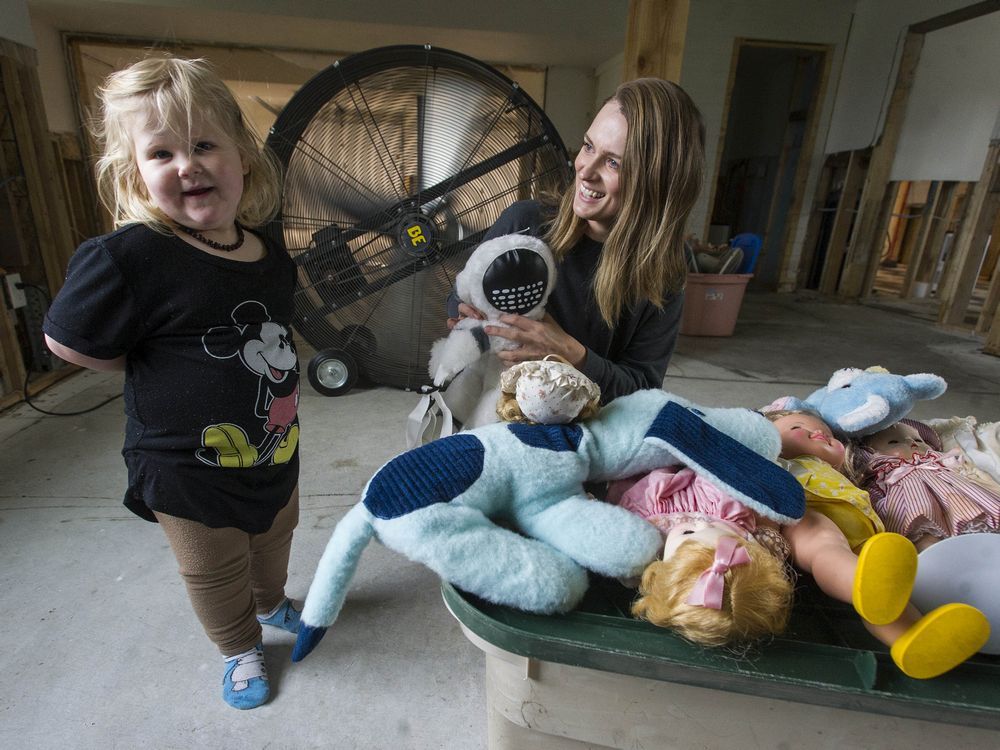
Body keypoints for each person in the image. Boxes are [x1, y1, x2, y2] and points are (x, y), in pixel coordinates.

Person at [42, 56, 300, 710]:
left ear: (243, 156)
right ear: (136, 173)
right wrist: (142, 362)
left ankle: (272, 604)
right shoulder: (131, 255)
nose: (187, 164)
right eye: (161, 152)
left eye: (205, 144)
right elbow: (66, 338)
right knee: (213, 568)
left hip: (271, 449)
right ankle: (240, 647)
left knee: (274, 538)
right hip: (182, 462)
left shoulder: (267, 251)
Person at [448, 77, 706, 403]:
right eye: (588, 146)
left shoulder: (666, 266)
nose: (584, 170)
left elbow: (642, 389)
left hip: (591, 427)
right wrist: (470, 316)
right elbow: (457, 298)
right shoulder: (525, 222)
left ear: (656, 183)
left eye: (613, 162)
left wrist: (571, 353)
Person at [764, 410, 989, 678]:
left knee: (888, 595)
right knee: (825, 545)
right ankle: (863, 584)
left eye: (829, 435)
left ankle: (912, 640)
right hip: (806, 515)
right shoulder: (781, 464)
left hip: (863, 533)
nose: (821, 434)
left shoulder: (849, 474)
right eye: (799, 427)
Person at [854, 420, 1000, 550]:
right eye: (894, 442)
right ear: (869, 453)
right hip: (915, 508)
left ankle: (986, 545)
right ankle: (932, 558)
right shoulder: (883, 471)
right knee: (924, 536)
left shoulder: (938, 460)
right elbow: (869, 496)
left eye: (919, 439)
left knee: (976, 513)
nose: (913, 443)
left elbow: (968, 473)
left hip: (957, 499)